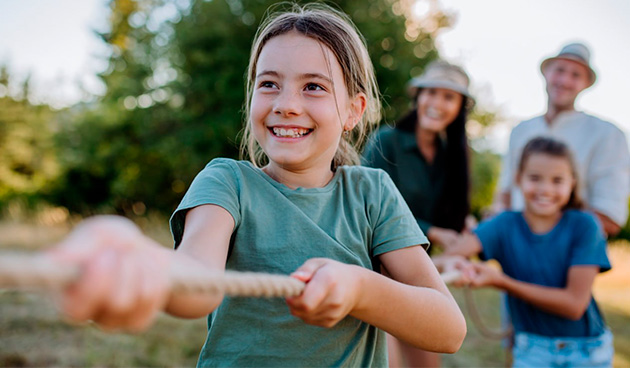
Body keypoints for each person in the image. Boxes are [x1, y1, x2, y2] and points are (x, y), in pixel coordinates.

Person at [48, 3, 467, 367]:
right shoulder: (227, 182)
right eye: (269, 84)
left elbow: (447, 331)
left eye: (314, 87)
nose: (286, 104)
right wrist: (143, 265)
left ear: (354, 110)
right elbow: (195, 282)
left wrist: (361, 288)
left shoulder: (372, 194)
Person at [447, 136, 613, 368]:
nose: (545, 189)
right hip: (531, 349)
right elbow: (450, 255)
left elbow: (574, 305)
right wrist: (457, 262)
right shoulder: (504, 224)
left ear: (572, 183)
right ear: (518, 179)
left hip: (587, 352)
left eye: (557, 180)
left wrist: (503, 282)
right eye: (535, 178)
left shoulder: (585, 225)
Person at [362, 59, 474, 367]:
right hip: (376, 272)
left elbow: (444, 213)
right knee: (388, 362)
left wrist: (461, 225)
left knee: (428, 363)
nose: (437, 103)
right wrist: (434, 231)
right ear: (418, 97)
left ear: (459, 107)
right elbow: (367, 208)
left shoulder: (452, 158)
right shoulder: (386, 141)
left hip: (418, 275)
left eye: (448, 97)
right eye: (431, 93)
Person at [497, 42, 630, 236]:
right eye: (559, 70)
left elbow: (610, 215)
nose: (565, 80)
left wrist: (551, 242)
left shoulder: (608, 135)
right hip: (514, 252)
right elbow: (505, 194)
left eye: (576, 75)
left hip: (572, 255)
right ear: (546, 73)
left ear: (585, 83)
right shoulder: (520, 130)